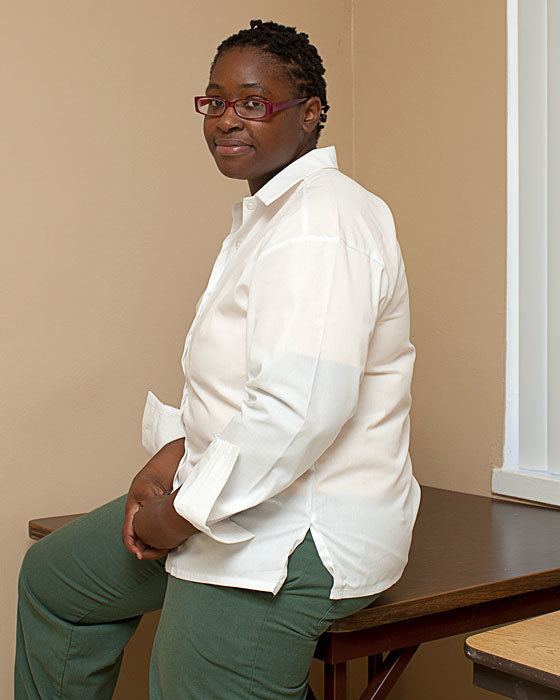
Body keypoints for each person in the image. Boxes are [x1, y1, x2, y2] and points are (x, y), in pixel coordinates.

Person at [14, 18, 421, 699]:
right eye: (215, 101)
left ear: (310, 113)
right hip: (236, 493)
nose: (228, 119)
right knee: (57, 583)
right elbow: (242, 387)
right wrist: (171, 455)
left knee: (183, 682)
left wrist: (180, 514)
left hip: (300, 532)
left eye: (253, 103)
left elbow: (298, 412)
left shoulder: (322, 224)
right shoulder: (268, 215)